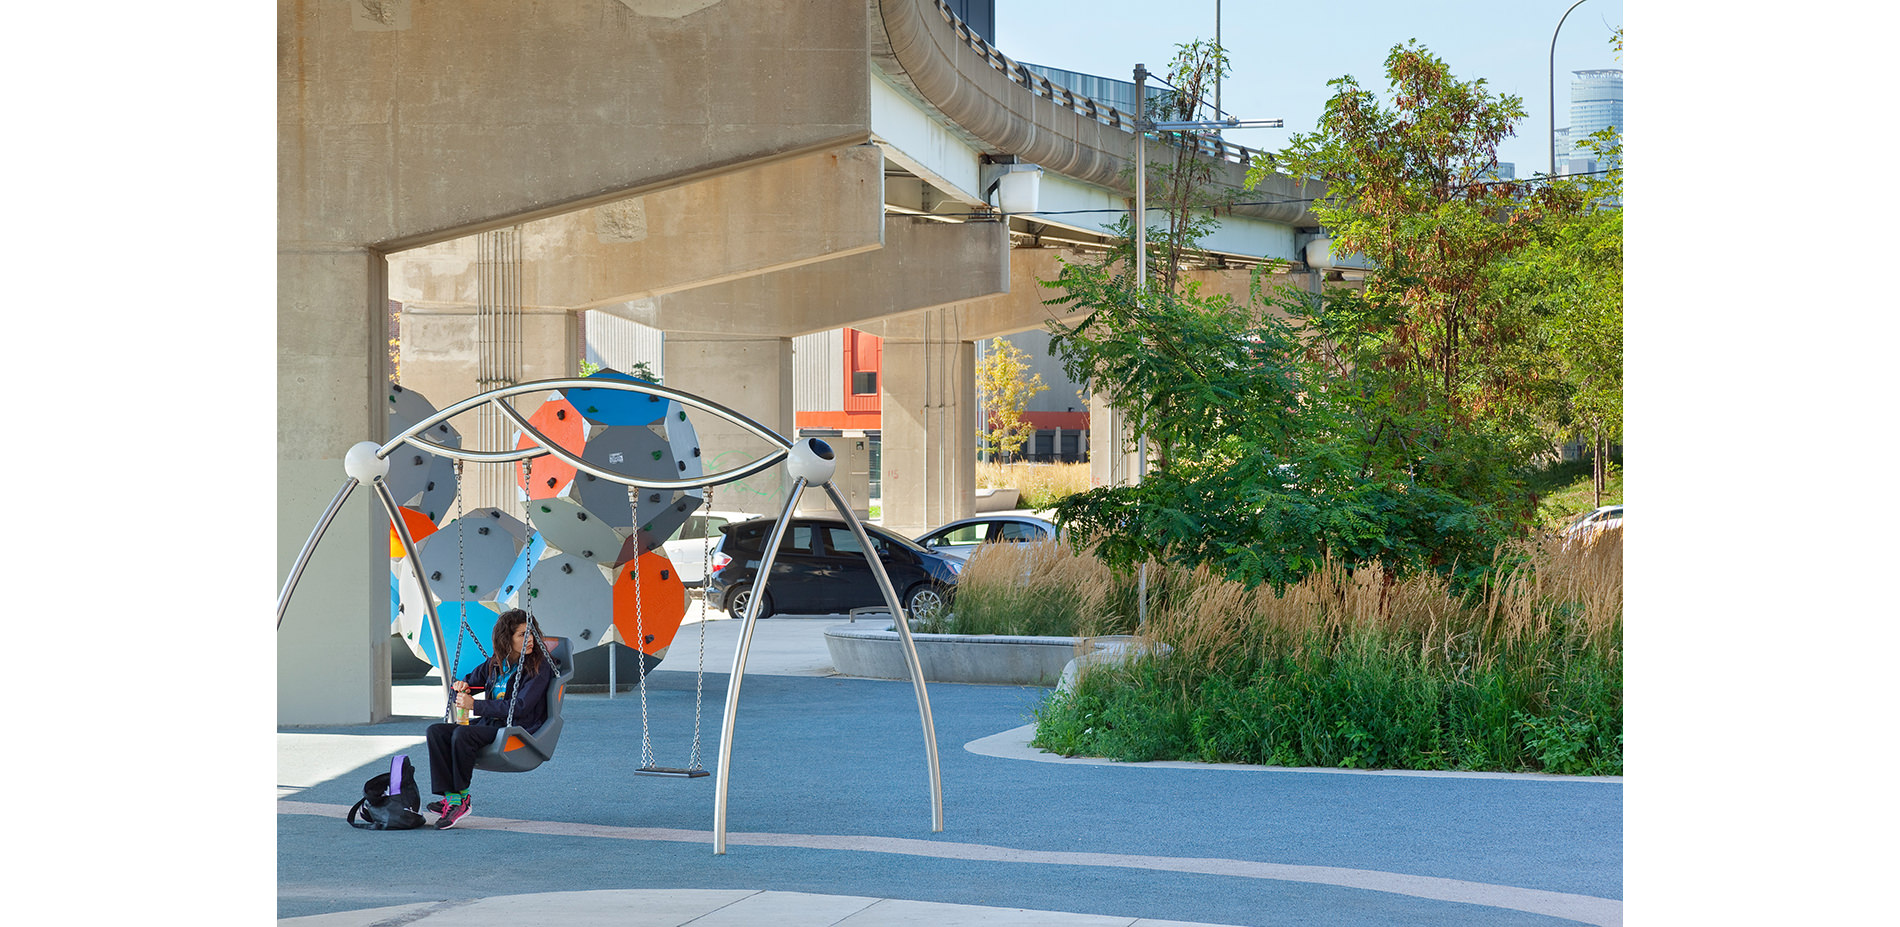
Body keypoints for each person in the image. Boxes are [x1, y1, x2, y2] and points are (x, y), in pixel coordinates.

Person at [423, 608, 555, 829]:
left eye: (531, 633)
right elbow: (466, 685)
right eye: (523, 635)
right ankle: (451, 798)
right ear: (507, 639)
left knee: (462, 734)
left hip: (518, 728)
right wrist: (461, 688)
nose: (530, 639)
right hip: (493, 724)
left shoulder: (539, 667)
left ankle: (462, 799)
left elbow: (521, 707)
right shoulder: (495, 664)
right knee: (436, 731)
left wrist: (475, 705)